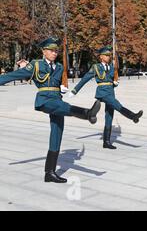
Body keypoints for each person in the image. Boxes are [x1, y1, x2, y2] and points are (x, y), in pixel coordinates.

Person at [0, 38, 101, 183]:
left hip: (57, 99)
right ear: (44, 51)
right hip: (45, 100)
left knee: (57, 134)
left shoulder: (59, 67)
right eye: (51, 50)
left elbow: (58, 84)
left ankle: (50, 173)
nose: (54, 53)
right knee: (64, 107)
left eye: (56, 51)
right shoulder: (36, 65)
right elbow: (12, 76)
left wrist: (62, 88)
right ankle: (86, 113)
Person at [68, 45, 143, 149]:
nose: (108, 57)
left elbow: (111, 80)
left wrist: (114, 83)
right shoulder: (96, 67)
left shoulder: (111, 67)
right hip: (102, 93)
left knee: (109, 117)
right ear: (101, 57)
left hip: (110, 92)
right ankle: (133, 116)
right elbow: (84, 79)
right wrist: (75, 90)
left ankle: (106, 142)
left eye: (109, 55)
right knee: (117, 105)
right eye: (106, 55)